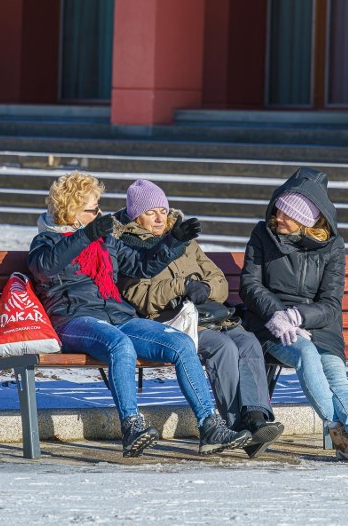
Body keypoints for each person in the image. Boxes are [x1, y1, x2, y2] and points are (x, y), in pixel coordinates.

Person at [27, 171, 251, 458]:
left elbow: (142, 266)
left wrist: (174, 242)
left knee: (182, 343)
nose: (100, 214)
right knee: (120, 346)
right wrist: (85, 236)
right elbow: (46, 267)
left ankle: (210, 426)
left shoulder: (106, 241)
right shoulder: (46, 242)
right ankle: (132, 426)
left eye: (99, 207)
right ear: (71, 211)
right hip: (74, 320)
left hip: (117, 316)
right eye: (92, 209)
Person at [113, 179, 284, 459]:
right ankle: (234, 426)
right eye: (151, 212)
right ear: (135, 215)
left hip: (208, 315)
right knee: (222, 346)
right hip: (169, 322)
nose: (159, 218)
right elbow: (138, 295)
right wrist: (181, 287)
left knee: (247, 341)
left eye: (163, 211)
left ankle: (256, 418)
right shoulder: (128, 246)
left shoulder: (183, 240)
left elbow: (217, 278)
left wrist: (205, 288)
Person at [239, 167, 348, 463]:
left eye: (286, 214)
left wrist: (299, 315)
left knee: (334, 371)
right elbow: (249, 284)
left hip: (319, 325)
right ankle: (344, 430)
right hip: (271, 324)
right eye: (278, 210)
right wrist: (279, 315)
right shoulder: (262, 234)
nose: (277, 217)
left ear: (307, 220)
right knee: (306, 353)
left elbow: (331, 303)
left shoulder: (333, 246)